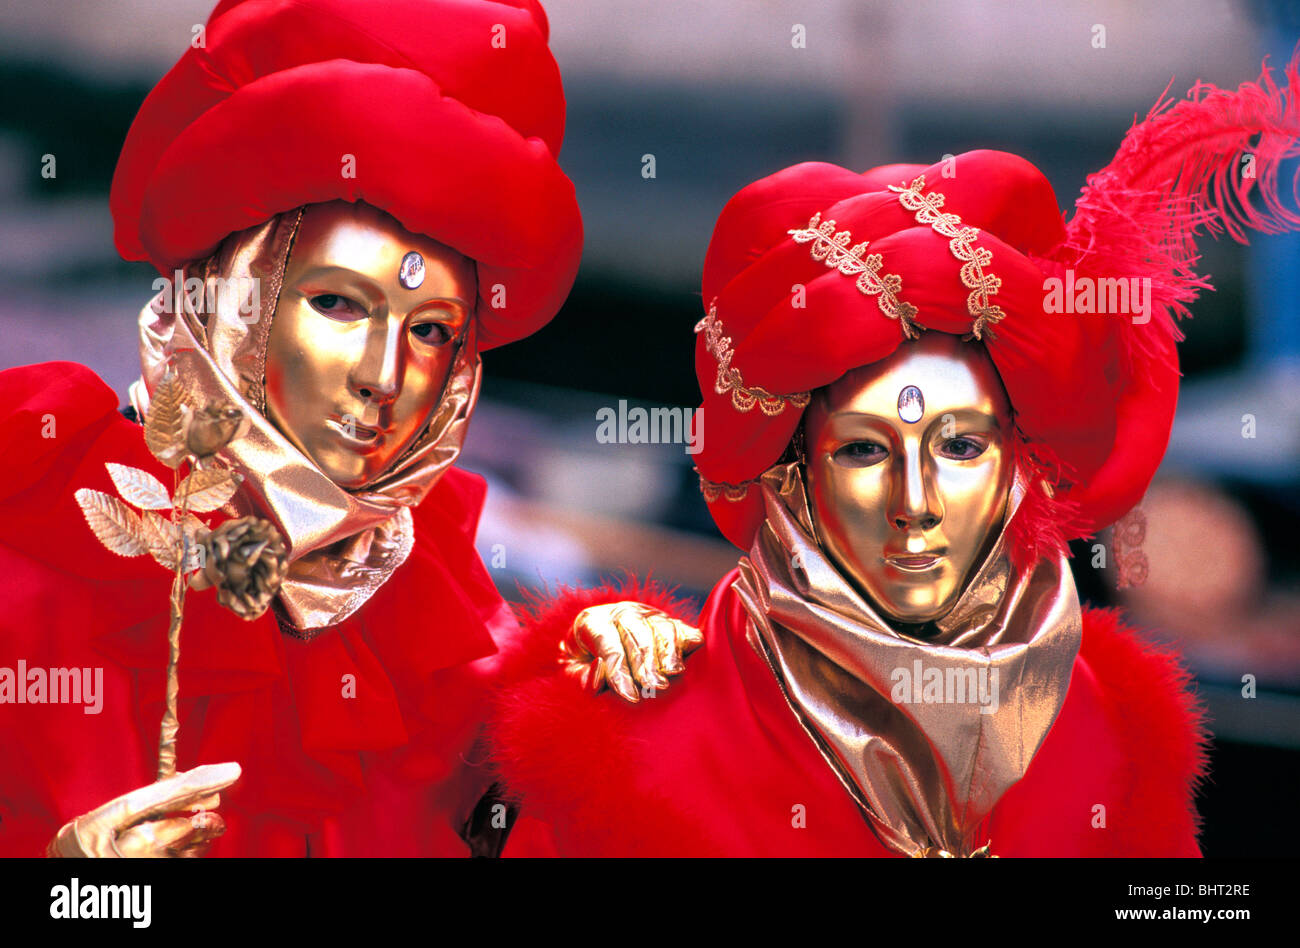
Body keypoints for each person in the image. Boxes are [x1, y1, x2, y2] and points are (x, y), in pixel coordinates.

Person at [489, 56, 1300, 857]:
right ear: (796, 475)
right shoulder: (628, 742)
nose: (917, 501)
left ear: (1019, 465)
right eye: (867, 450)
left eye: (959, 445)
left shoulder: (1105, 729)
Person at [0, 0, 694, 859]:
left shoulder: (426, 590)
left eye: (432, 329)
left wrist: (589, 698)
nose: (382, 375)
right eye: (336, 302)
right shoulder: (29, 546)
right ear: (233, 302)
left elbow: (525, 819)